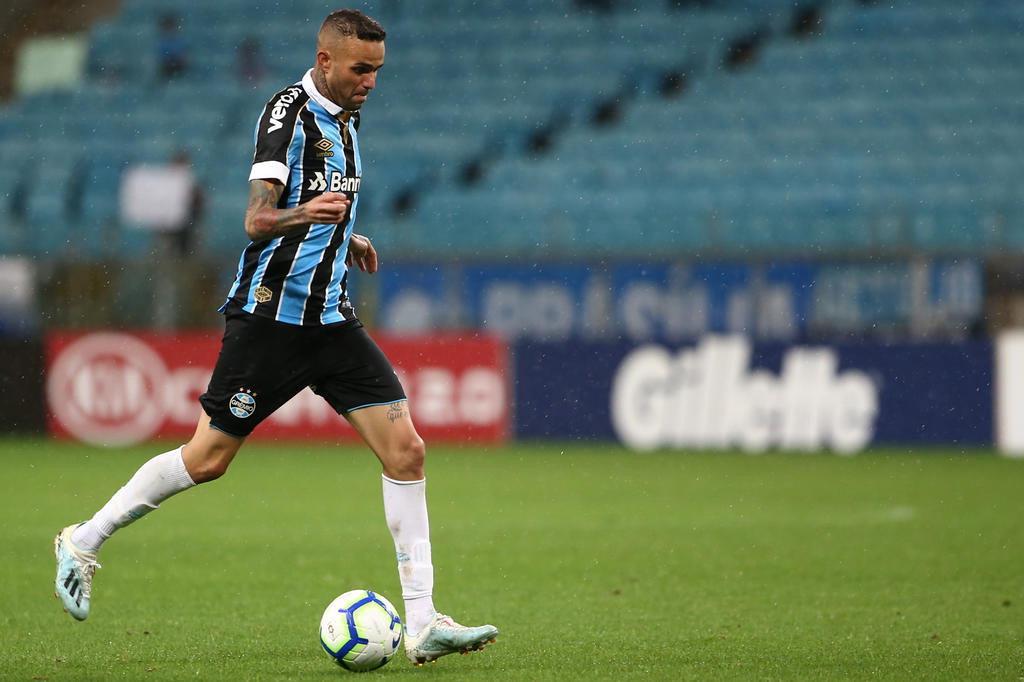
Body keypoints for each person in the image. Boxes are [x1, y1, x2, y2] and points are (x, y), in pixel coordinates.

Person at [54, 9, 498, 667]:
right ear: (325, 61)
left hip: (330, 319)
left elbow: (324, 209)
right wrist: (308, 214)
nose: (371, 81)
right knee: (207, 459)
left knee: (406, 452)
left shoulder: (347, 118)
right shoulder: (287, 114)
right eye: (360, 69)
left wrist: (347, 239)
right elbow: (259, 219)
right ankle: (83, 540)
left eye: (377, 70)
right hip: (271, 318)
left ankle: (425, 621)